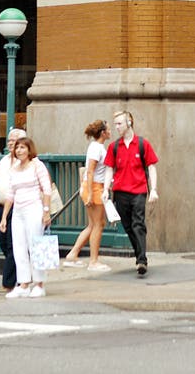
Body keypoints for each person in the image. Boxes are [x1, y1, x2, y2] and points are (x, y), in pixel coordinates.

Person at [103, 110, 159, 277]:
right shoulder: (114, 147)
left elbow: (152, 167)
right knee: (128, 226)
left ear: (129, 123)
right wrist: (106, 189)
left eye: (119, 123)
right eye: (116, 124)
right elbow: (109, 170)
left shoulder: (143, 144)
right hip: (120, 193)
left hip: (139, 191)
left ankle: (142, 260)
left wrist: (153, 189)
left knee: (138, 224)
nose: (116, 127)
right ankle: (139, 255)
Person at [0, 136, 53, 297]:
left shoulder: (37, 165)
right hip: (18, 211)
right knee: (19, 246)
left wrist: (46, 211)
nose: (19, 151)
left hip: (34, 208)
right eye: (17, 148)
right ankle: (23, 284)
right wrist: (4, 217)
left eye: (23, 147)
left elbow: (47, 189)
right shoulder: (15, 167)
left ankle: (39, 283)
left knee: (35, 245)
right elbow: (10, 194)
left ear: (30, 149)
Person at [63, 119, 113, 271]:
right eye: (109, 129)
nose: (111, 132)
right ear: (103, 133)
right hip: (94, 187)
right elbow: (90, 170)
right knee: (98, 224)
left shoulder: (96, 147)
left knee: (93, 224)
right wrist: (90, 193)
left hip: (93, 187)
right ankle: (93, 261)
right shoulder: (97, 148)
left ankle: (73, 254)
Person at [0, 127, 27, 294]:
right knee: (4, 242)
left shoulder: (25, 162)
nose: (11, 143)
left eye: (16, 140)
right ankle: (21, 274)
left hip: (19, 207)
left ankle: (9, 284)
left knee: (13, 244)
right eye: (10, 140)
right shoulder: (4, 161)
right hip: (3, 206)